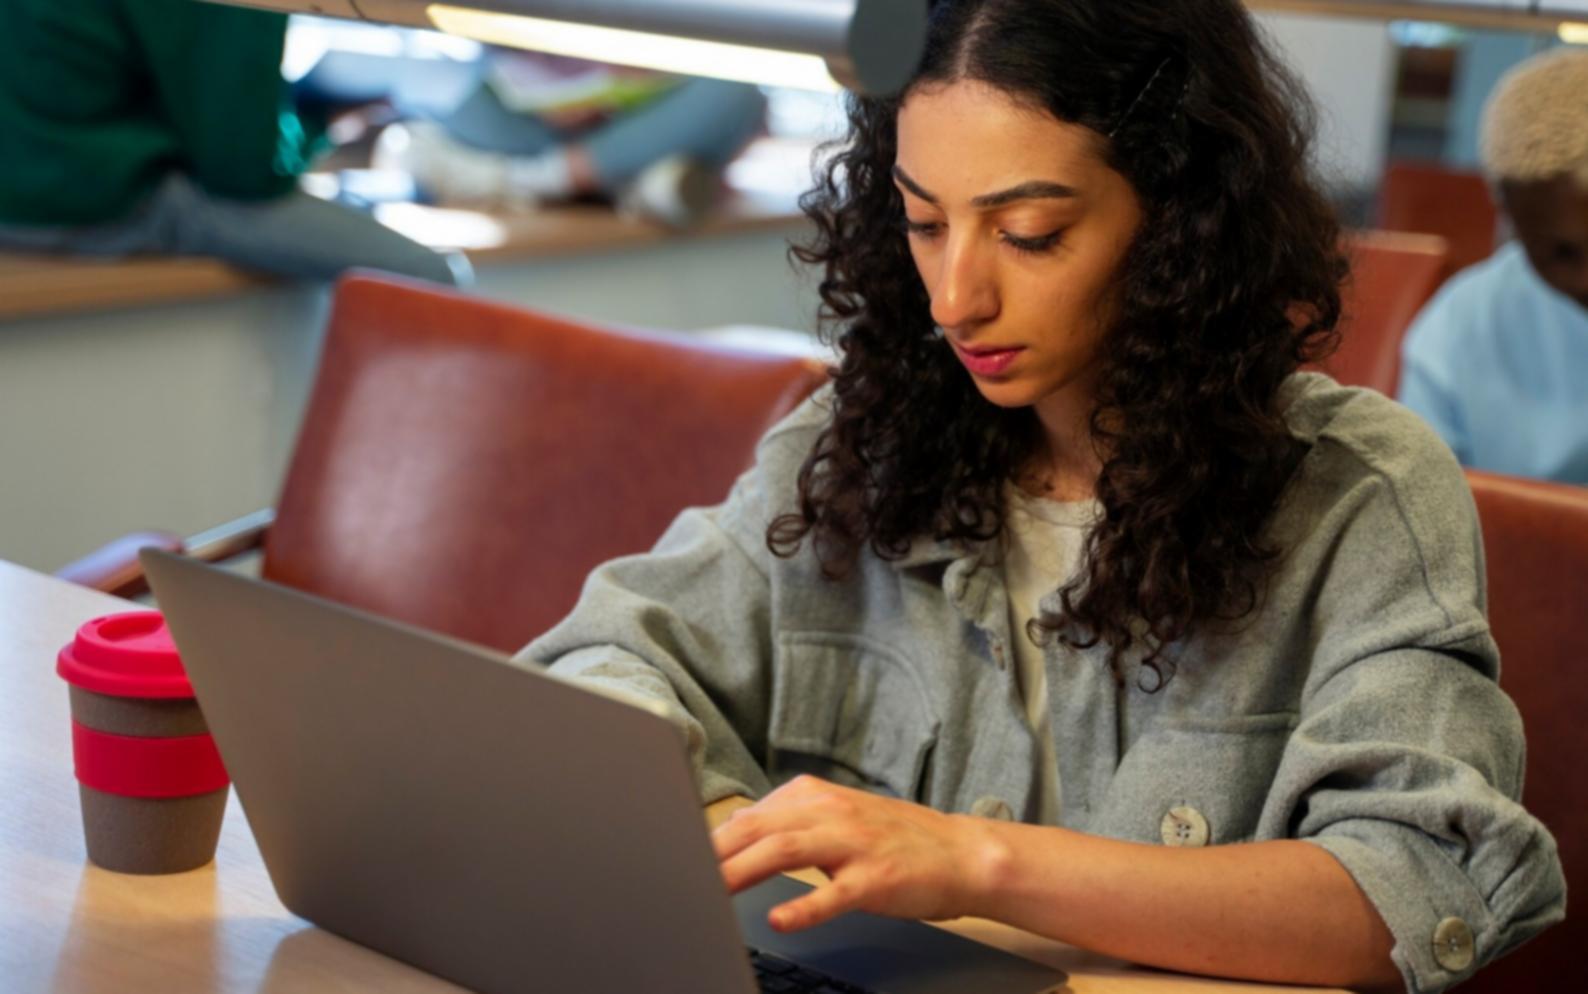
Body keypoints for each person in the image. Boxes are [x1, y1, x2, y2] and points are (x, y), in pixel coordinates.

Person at [519, 2, 1565, 991]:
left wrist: (975, 862)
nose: (953, 297)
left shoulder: (1358, 497)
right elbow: (601, 664)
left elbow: (1411, 889)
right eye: (923, 222)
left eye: (1026, 233)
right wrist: (738, 833)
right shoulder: (861, 444)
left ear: (1178, 224)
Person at [0, 0, 468, 285]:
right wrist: (321, 119)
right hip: (89, 198)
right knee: (430, 276)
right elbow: (241, 170)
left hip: (24, 191)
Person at [1398, 47, 1588, 483]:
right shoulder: (1456, 330)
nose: (1586, 278)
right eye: (1559, 254)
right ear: (1511, 217)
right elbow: (1420, 508)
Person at [373, 52, 767, 227]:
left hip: (632, 107)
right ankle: (629, 180)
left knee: (738, 93)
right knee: (447, 87)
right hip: (527, 101)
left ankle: (529, 179)